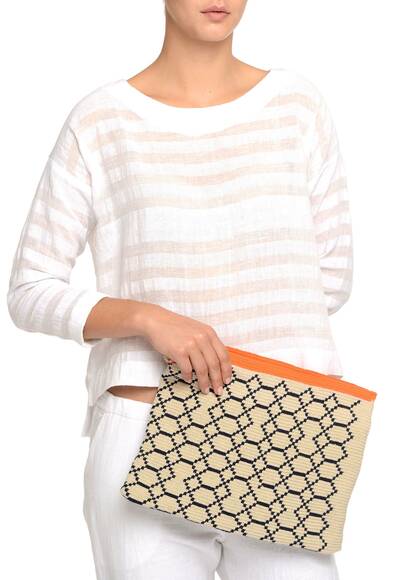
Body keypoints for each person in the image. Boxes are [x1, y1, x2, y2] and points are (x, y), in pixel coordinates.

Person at [6, 1, 352, 578]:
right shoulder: (102, 120)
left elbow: (330, 280)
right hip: (144, 432)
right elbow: (30, 288)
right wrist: (148, 318)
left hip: (282, 431)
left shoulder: (297, 106)